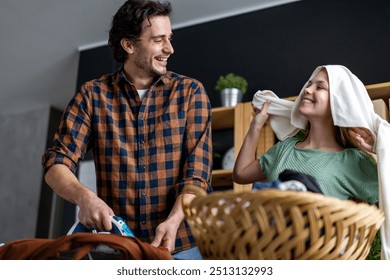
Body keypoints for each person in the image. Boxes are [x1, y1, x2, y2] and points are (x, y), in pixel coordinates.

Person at [41, 0, 213, 260]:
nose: (169, 48)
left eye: (169, 38)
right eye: (158, 40)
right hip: (118, 250)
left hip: (181, 246)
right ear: (129, 45)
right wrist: (84, 197)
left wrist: (174, 220)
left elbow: (197, 175)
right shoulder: (93, 95)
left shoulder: (190, 93)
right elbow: (56, 162)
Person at [233, 65, 390, 258]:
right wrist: (255, 126)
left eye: (320, 87)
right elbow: (241, 174)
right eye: (309, 84)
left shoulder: (352, 161)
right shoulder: (286, 148)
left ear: (338, 102)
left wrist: (379, 150)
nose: (307, 89)